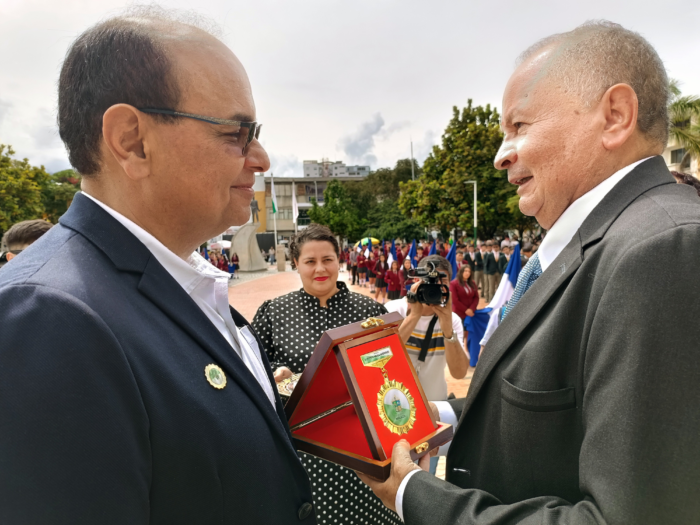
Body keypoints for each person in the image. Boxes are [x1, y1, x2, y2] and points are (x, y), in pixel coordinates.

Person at [361, 20, 700, 525]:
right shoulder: (602, 242)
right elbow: (561, 412)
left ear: (615, 116)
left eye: (519, 127)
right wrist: (438, 417)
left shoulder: (660, 248)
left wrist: (416, 495)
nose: (501, 156)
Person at [0, 8, 317, 524]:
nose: (260, 158)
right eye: (237, 132)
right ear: (132, 141)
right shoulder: (50, 317)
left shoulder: (174, 283)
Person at [251, 224, 397, 525]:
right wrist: (273, 376)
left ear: (339, 259)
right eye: (310, 261)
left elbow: (392, 373)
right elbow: (250, 374)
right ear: (296, 264)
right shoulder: (274, 313)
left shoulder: (369, 312)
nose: (320, 269)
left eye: (327, 259)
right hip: (301, 449)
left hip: (364, 448)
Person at [384, 255, 468, 475]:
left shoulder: (454, 320)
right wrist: (414, 316)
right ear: (416, 281)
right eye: (429, 281)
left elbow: (459, 373)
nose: (435, 287)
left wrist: (447, 327)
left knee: (424, 478)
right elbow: (382, 358)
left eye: (441, 281)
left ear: (449, 284)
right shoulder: (394, 310)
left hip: (432, 415)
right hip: (392, 410)